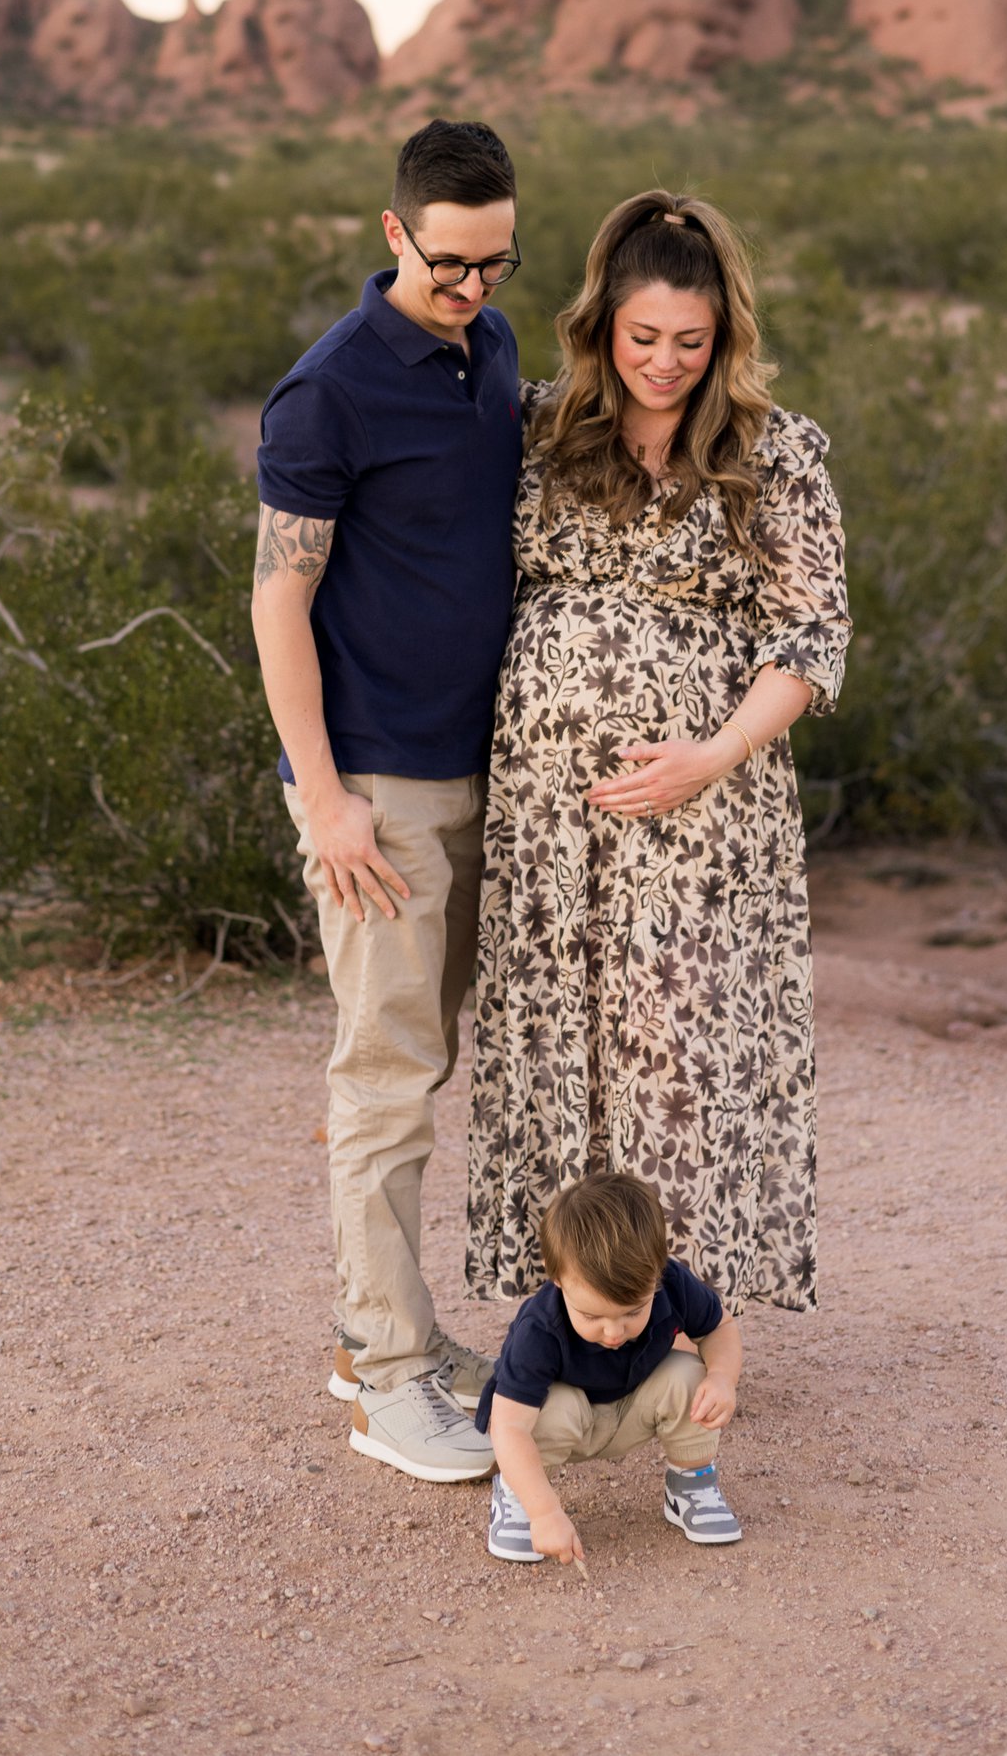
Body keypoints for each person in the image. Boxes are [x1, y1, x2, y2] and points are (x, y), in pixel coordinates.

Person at [466, 189, 849, 1321]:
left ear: (726, 335)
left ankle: (682, 1329)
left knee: (681, 1058)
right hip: (549, 816)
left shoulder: (775, 453)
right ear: (602, 325)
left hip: (702, 818)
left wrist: (711, 755)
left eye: (692, 340)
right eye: (644, 337)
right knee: (560, 1054)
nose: (666, 363)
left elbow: (811, 635)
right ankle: (568, 1327)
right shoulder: (539, 431)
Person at [252, 118, 523, 1484]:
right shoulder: (329, 391)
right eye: (447, 262)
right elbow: (277, 600)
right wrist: (324, 798)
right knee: (385, 1076)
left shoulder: (495, 348)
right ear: (393, 232)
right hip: (376, 788)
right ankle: (386, 1372)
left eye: (495, 261)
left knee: (427, 1058)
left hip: (481, 772)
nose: (470, 286)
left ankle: (383, 1327)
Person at [477, 1170, 745, 1563]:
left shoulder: (672, 1283)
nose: (614, 1332)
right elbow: (509, 1426)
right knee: (549, 1407)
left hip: (633, 1406)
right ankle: (521, 1496)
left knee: (690, 1374)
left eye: (633, 1311)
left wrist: (722, 1378)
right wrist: (545, 1513)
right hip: (564, 1424)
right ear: (557, 1277)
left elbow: (719, 1328)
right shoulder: (539, 1330)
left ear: (658, 1271)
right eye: (592, 1316)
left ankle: (691, 1484)